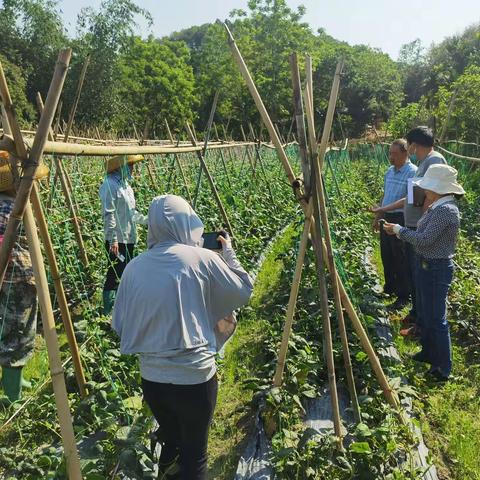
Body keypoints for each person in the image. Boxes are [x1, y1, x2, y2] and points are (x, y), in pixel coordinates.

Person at [112, 195, 253, 480]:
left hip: (152, 380)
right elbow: (243, 290)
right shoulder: (202, 258)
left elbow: (119, 324)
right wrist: (228, 254)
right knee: (195, 455)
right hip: (195, 378)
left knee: (171, 442)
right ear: (187, 222)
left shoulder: (134, 267)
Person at [383, 164, 464, 381]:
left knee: (437, 320)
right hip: (427, 265)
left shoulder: (446, 210)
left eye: (428, 186)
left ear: (439, 188)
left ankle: (442, 368)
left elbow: (425, 239)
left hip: (436, 269)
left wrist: (399, 231)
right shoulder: (437, 206)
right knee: (427, 315)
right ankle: (428, 353)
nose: (425, 190)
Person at [371, 126, 447, 334]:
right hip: (415, 224)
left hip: (419, 226)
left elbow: (427, 199)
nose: (391, 157)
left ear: (413, 145)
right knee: (413, 270)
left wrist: (419, 222)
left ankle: (422, 324)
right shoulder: (425, 162)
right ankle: (417, 317)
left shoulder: (432, 161)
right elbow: (413, 197)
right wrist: (383, 210)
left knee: (419, 273)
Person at [0, 152, 48, 404]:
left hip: (9, 276)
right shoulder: (14, 208)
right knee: (17, 333)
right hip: (17, 278)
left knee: (10, 329)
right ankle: (11, 394)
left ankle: (14, 378)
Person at [371, 139, 417, 309]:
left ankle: (404, 295)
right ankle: (389, 287)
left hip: (400, 219)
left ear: (405, 153)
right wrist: (378, 216)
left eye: (395, 154)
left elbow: (408, 200)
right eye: (390, 153)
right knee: (387, 254)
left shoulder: (413, 172)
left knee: (401, 257)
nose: (391, 157)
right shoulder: (389, 172)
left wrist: (384, 208)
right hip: (386, 217)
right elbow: (386, 194)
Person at [99, 154, 147, 315]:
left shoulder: (126, 187)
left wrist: (148, 220)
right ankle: (108, 313)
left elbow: (131, 213)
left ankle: (122, 309)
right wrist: (113, 240)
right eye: (130, 165)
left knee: (126, 273)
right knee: (114, 274)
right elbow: (109, 214)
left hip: (129, 237)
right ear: (120, 166)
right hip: (117, 240)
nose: (133, 169)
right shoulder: (109, 185)